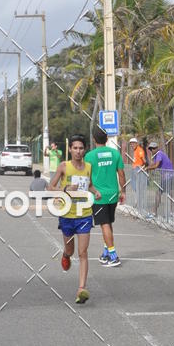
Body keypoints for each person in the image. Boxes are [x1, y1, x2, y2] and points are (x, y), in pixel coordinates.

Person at [48, 135, 100, 304]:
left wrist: (95, 191)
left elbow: (89, 184)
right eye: (75, 148)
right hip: (67, 215)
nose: (78, 151)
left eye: (81, 148)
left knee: (83, 252)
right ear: (70, 149)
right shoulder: (64, 166)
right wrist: (65, 188)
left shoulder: (89, 167)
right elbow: (50, 188)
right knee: (70, 250)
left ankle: (81, 289)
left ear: (85, 150)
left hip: (84, 214)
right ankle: (65, 254)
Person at [85, 126, 126, 267]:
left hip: (99, 195)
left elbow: (87, 177)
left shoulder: (89, 156)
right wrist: (123, 191)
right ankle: (106, 253)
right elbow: (121, 174)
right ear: (107, 139)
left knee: (104, 224)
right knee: (107, 223)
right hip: (113, 194)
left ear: (94, 139)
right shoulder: (115, 153)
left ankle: (114, 256)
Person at [147, 141, 174, 218]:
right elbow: (154, 164)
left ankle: (154, 213)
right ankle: (172, 213)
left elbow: (156, 165)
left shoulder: (159, 154)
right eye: (150, 149)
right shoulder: (158, 155)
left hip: (167, 176)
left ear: (157, 148)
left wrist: (147, 168)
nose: (152, 150)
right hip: (169, 175)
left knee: (158, 193)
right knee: (171, 194)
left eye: (153, 148)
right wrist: (147, 166)